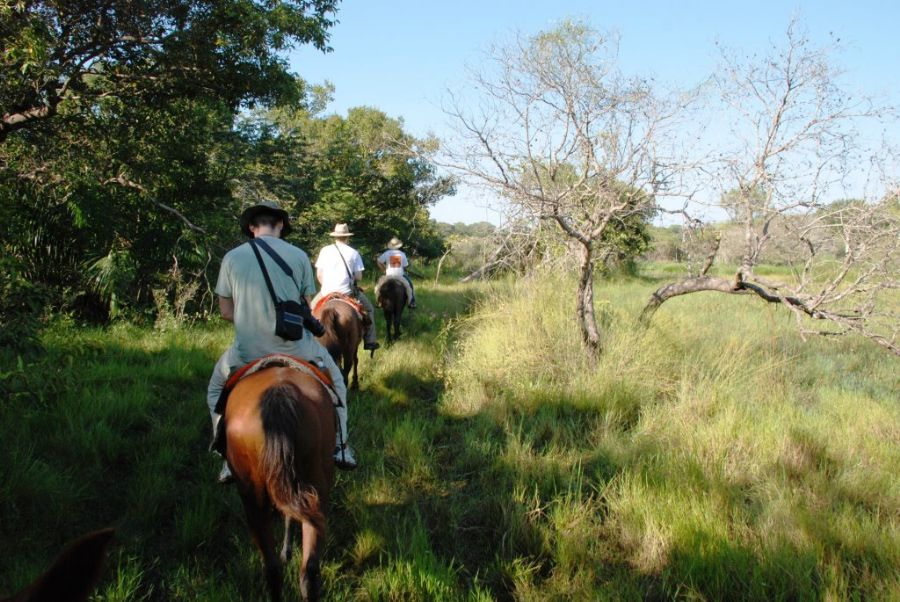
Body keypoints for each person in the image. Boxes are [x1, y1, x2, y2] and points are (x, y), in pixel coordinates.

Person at [207, 201, 357, 482]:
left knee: (215, 389)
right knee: (337, 381)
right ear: (280, 226)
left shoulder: (231, 257)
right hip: (296, 346)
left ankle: (227, 458)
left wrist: (253, 318)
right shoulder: (299, 255)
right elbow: (304, 305)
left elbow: (226, 312)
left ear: (252, 227)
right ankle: (340, 446)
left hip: (247, 350)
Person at [312, 223, 380, 351]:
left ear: (335, 237)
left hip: (326, 292)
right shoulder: (354, 253)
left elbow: (319, 275)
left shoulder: (325, 250)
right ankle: (370, 341)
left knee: (310, 310)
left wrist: (328, 287)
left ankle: (306, 342)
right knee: (369, 309)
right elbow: (359, 277)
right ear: (347, 237)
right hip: (347, 293)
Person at [376, 236, 416, 308]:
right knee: (410, 286)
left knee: (378, 287)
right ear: (398, 246)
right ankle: (411, 302)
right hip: (400, 276)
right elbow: (405, 266)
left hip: (388, 276)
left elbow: (379, 261)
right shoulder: (402, 254)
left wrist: (384, 269)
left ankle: (379, 301)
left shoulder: (386, 253)